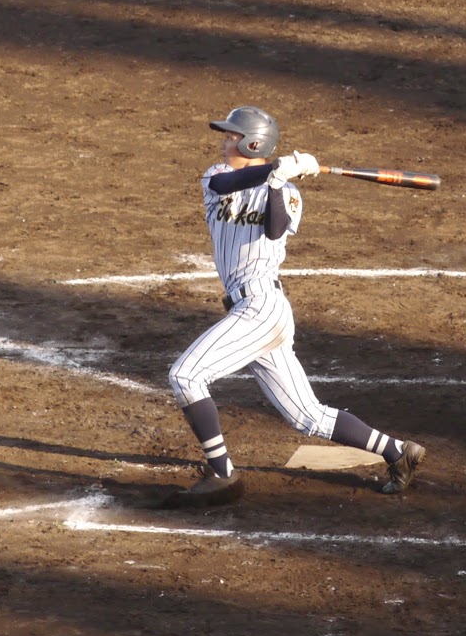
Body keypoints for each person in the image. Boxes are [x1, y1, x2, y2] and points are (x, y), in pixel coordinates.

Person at [163, 106, 425, 507]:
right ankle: (397, 452)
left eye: (231, 136)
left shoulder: (290, 194)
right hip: (250, 311)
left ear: (252, 142)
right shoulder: (216, 176)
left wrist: (278, 182)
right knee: (308, 416)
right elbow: (226, 187)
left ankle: (222, 474)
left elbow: (274, 228)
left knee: (185, 376)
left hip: (261, 308)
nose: (223, 140)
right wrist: (273, 171)